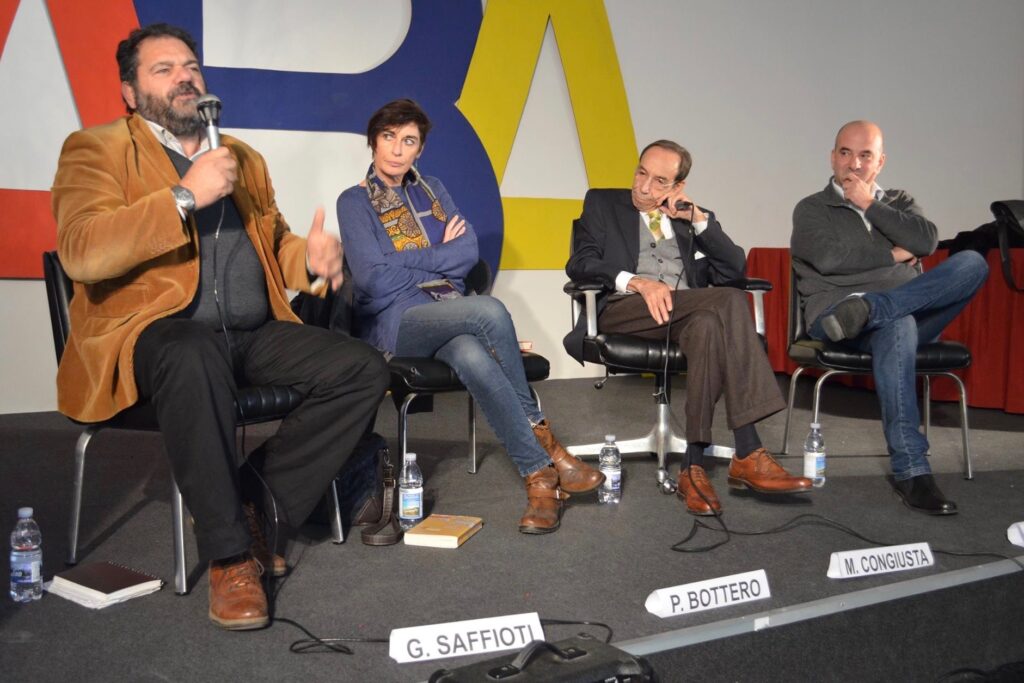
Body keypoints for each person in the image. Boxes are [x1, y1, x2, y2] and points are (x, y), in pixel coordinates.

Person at [51, 23, 389, 630]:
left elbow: (273, 244)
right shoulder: (95, 149)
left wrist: (308, 261)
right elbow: (82, 250)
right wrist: (184, 195)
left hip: (251, 334)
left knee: (362, 367)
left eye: (191, 67)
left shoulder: (240, 156)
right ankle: (231, 557)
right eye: (164, 69)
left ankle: (251, 500)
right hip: (152, 335)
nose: (185, 76)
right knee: (190, 352)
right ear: (130, 93)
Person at [337, 99, 603, 535]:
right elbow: (371, 280)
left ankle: (540, 480)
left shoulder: (434, 190)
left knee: (473, 356)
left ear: (419, 150)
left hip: (444, 315)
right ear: (373, 142)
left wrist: (409, 262)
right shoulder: (354, 202)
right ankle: (550, 446)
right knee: (489, 309)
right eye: (389, 138)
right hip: (396, 325)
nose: (397, 150)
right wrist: (437, 258)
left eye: (409, 141)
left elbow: (465, 256)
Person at [565, 140, 811, 516]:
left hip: (685, 314)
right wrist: (636, 282)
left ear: (678, 188)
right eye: (641, 173)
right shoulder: (602, 204)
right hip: (623, 308)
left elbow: (734, 271)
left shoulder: (693, 220)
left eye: (660, 181)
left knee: (710, 323)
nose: (644, 187)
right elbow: (580, 263)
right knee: (727, 301)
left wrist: (699, 222)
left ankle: (692, 466)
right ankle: (749, 449)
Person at [791, 120, 988, 515]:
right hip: (836, 318)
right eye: (845, 153)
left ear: (879, 162)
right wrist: (897, 255)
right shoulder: (812, 208)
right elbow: (831, 260)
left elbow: (927, 241)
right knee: (898, 324)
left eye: (865, 156)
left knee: (972, 263)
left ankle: (874, 308)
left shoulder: (897, 201)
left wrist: (870, 204)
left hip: (897, 311)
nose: (854, 164)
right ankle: (912, 471)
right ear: (832, 157)